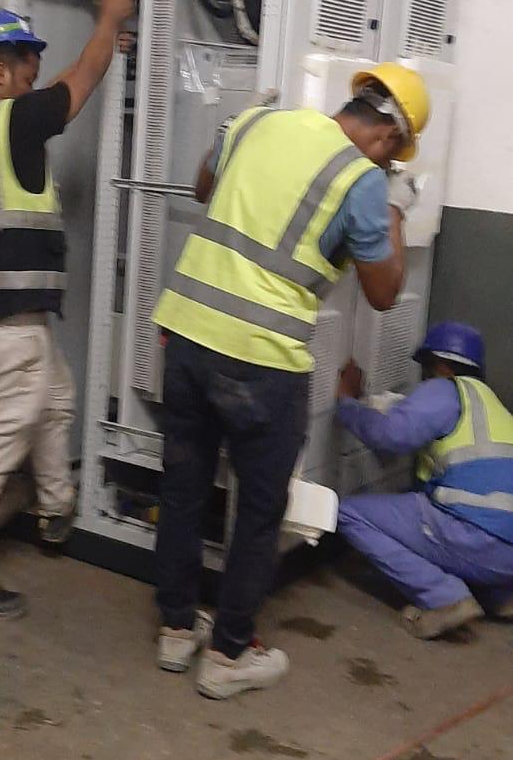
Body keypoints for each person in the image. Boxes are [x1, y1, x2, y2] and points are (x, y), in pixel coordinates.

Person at [152, 63, 430, 699]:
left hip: (187, 333)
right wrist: (393, 211)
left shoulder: (259, 121)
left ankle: (175, 628)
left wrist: (228, 133)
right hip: (262, 358)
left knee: (185, 486)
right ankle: (228, 655)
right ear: (389, 137)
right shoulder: (360, 180)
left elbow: (202, 187)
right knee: (259, 508)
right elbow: (384, 292)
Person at [0, 0, 135, 618]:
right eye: (25, 71)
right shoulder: (11, 120)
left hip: (5, 319)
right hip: (3, 328)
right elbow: (82, 79)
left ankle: (53, 508)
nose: (33, 83)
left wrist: (105, 39)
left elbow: (64, 81)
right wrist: (107, 21)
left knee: (57, 399)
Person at [336, 322, 513, 638]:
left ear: (440, 365)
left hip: (474, 537)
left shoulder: (445, 389)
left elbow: (390, 435)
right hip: (506, 557)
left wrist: (348, 402)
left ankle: (445, 598)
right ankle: (500, 596)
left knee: (347, 513)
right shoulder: (494, 407)